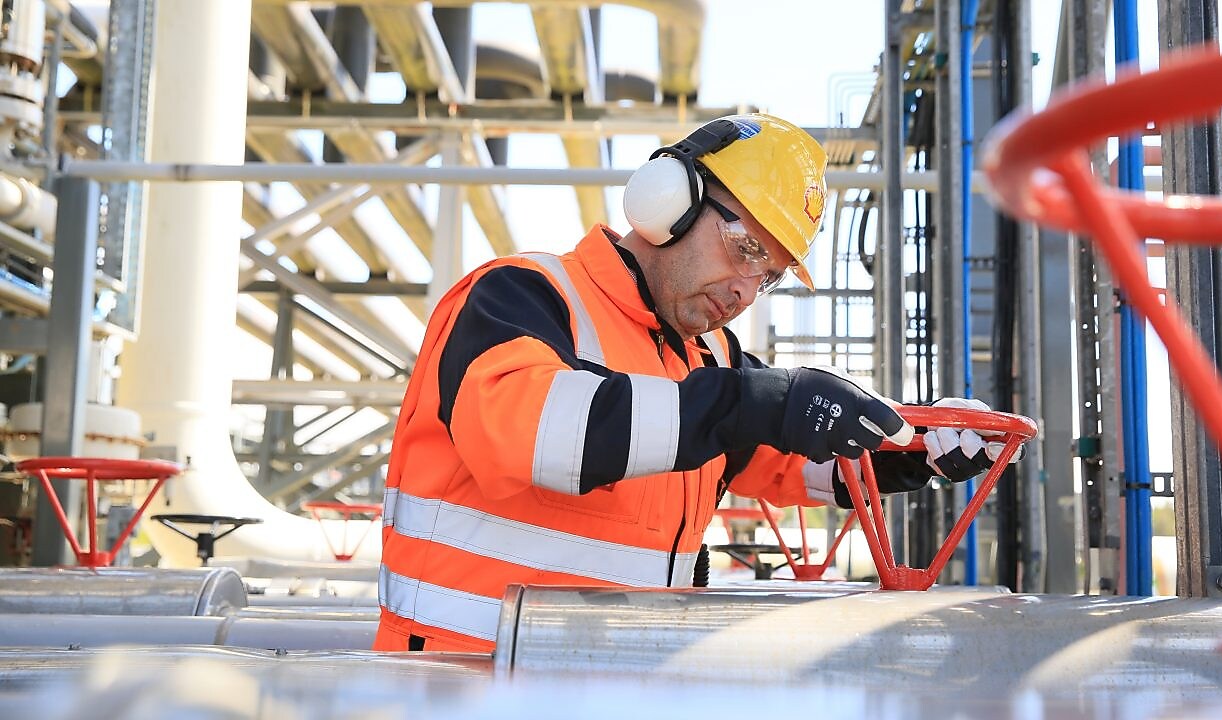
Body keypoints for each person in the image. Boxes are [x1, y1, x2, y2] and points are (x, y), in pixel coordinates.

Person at [373, 114, 1012, 653]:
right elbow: (531, 433)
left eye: (769, 277)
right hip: (455, 684)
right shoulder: (524, 295)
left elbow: (791, 455)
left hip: (617, 687)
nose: (744, 292)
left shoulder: (708, 360)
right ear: (669, 200)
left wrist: (917, 444)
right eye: (747, 250)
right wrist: (747, 403)